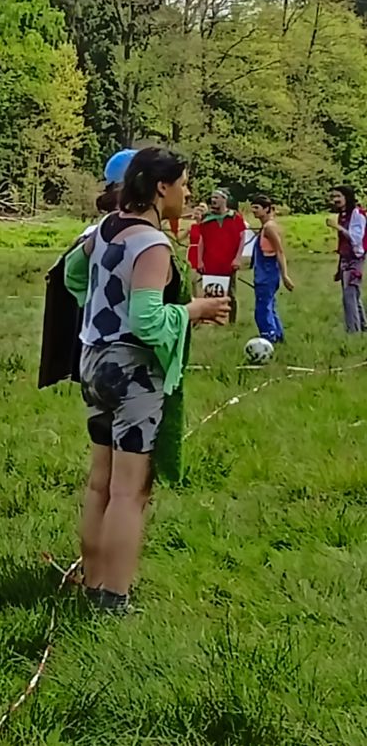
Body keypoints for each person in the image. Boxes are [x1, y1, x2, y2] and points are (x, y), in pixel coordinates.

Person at [63, 147, 229, 616]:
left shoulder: (103, 230)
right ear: (161, 187)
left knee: (100, 483)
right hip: (133, 373)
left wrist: (102, 310)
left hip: (93, 362)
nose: (187, 193)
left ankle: (93, 579)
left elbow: (72, 276)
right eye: (184, 183)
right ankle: (113, 598)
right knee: (129, 491)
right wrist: (194, 310)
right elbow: (148, 321)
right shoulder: (152, 245)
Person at [186, 189, 246, 323]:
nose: (213, 200)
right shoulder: (207, 219)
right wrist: (199, 260)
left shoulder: (235, 217)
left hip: (228, 262)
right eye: (212, 197)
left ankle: (231, 322)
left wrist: (237, 258)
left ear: (224, 199)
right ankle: (209, 320)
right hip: (210, 261)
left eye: (216, 197)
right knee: (209, 291)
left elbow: (242, 238)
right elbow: (202, 240)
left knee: (230, 292)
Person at [242, 195, 294, 346]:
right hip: (263, 271)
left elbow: (279, 251)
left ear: (266, 209)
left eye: (257, 207)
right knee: (269, 305)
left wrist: (285, 275)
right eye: (252, 207)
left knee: (262, 309)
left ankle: (268, 337)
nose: (253, 211)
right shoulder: (266, 227)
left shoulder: (269, 228)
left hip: (268, 271)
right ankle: (278, 336)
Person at [332, 186, 364, 334]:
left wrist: (338, 227)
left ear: (347, 197)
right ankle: (362, 325)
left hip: (355, 259)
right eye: (333, 197)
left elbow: (356, 238)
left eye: (338, 196)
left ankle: (353, 331)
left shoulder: (357, 214)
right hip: (345, 259)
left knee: (349, 296)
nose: (335, 200)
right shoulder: (343, 215)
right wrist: (339, 268)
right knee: (353, 294)